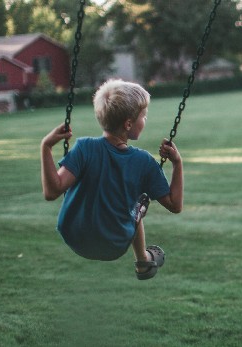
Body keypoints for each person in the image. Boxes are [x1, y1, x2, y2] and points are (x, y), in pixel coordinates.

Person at [39, 79, 183, 280]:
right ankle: (143, 260)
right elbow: (175, 205)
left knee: (125, 200)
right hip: (113, 244)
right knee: (138, 204)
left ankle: (143, 261)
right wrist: (177, 163)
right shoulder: (144, 162)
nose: (145, 120)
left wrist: (46, 146)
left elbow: (51, 192)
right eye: (144, 116)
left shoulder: (84, 148)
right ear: (128, 124)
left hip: (74, 235)